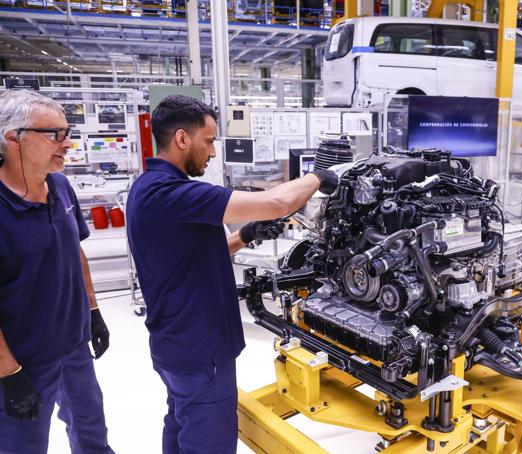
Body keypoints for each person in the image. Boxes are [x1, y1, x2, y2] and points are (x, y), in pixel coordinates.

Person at [126, 95, 339, 453]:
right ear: (182, 139)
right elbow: (277, 203)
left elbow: (191, 255)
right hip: (200, 352)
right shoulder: (172, 193)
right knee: (208, 441)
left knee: (180, 423)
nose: (212, 153)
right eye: (208, 141)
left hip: (176, 346)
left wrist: (246, 235)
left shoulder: (145, 188)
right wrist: (318, 176)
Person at [0, 90, 113, 453]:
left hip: (73, 345)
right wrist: (9, 373)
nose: (67, 143)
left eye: (68, 131)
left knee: (92, 434)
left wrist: (93, 311)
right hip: (23, 361)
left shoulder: (60, 186)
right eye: (54, 134)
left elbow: (73, 250)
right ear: (12, 137)